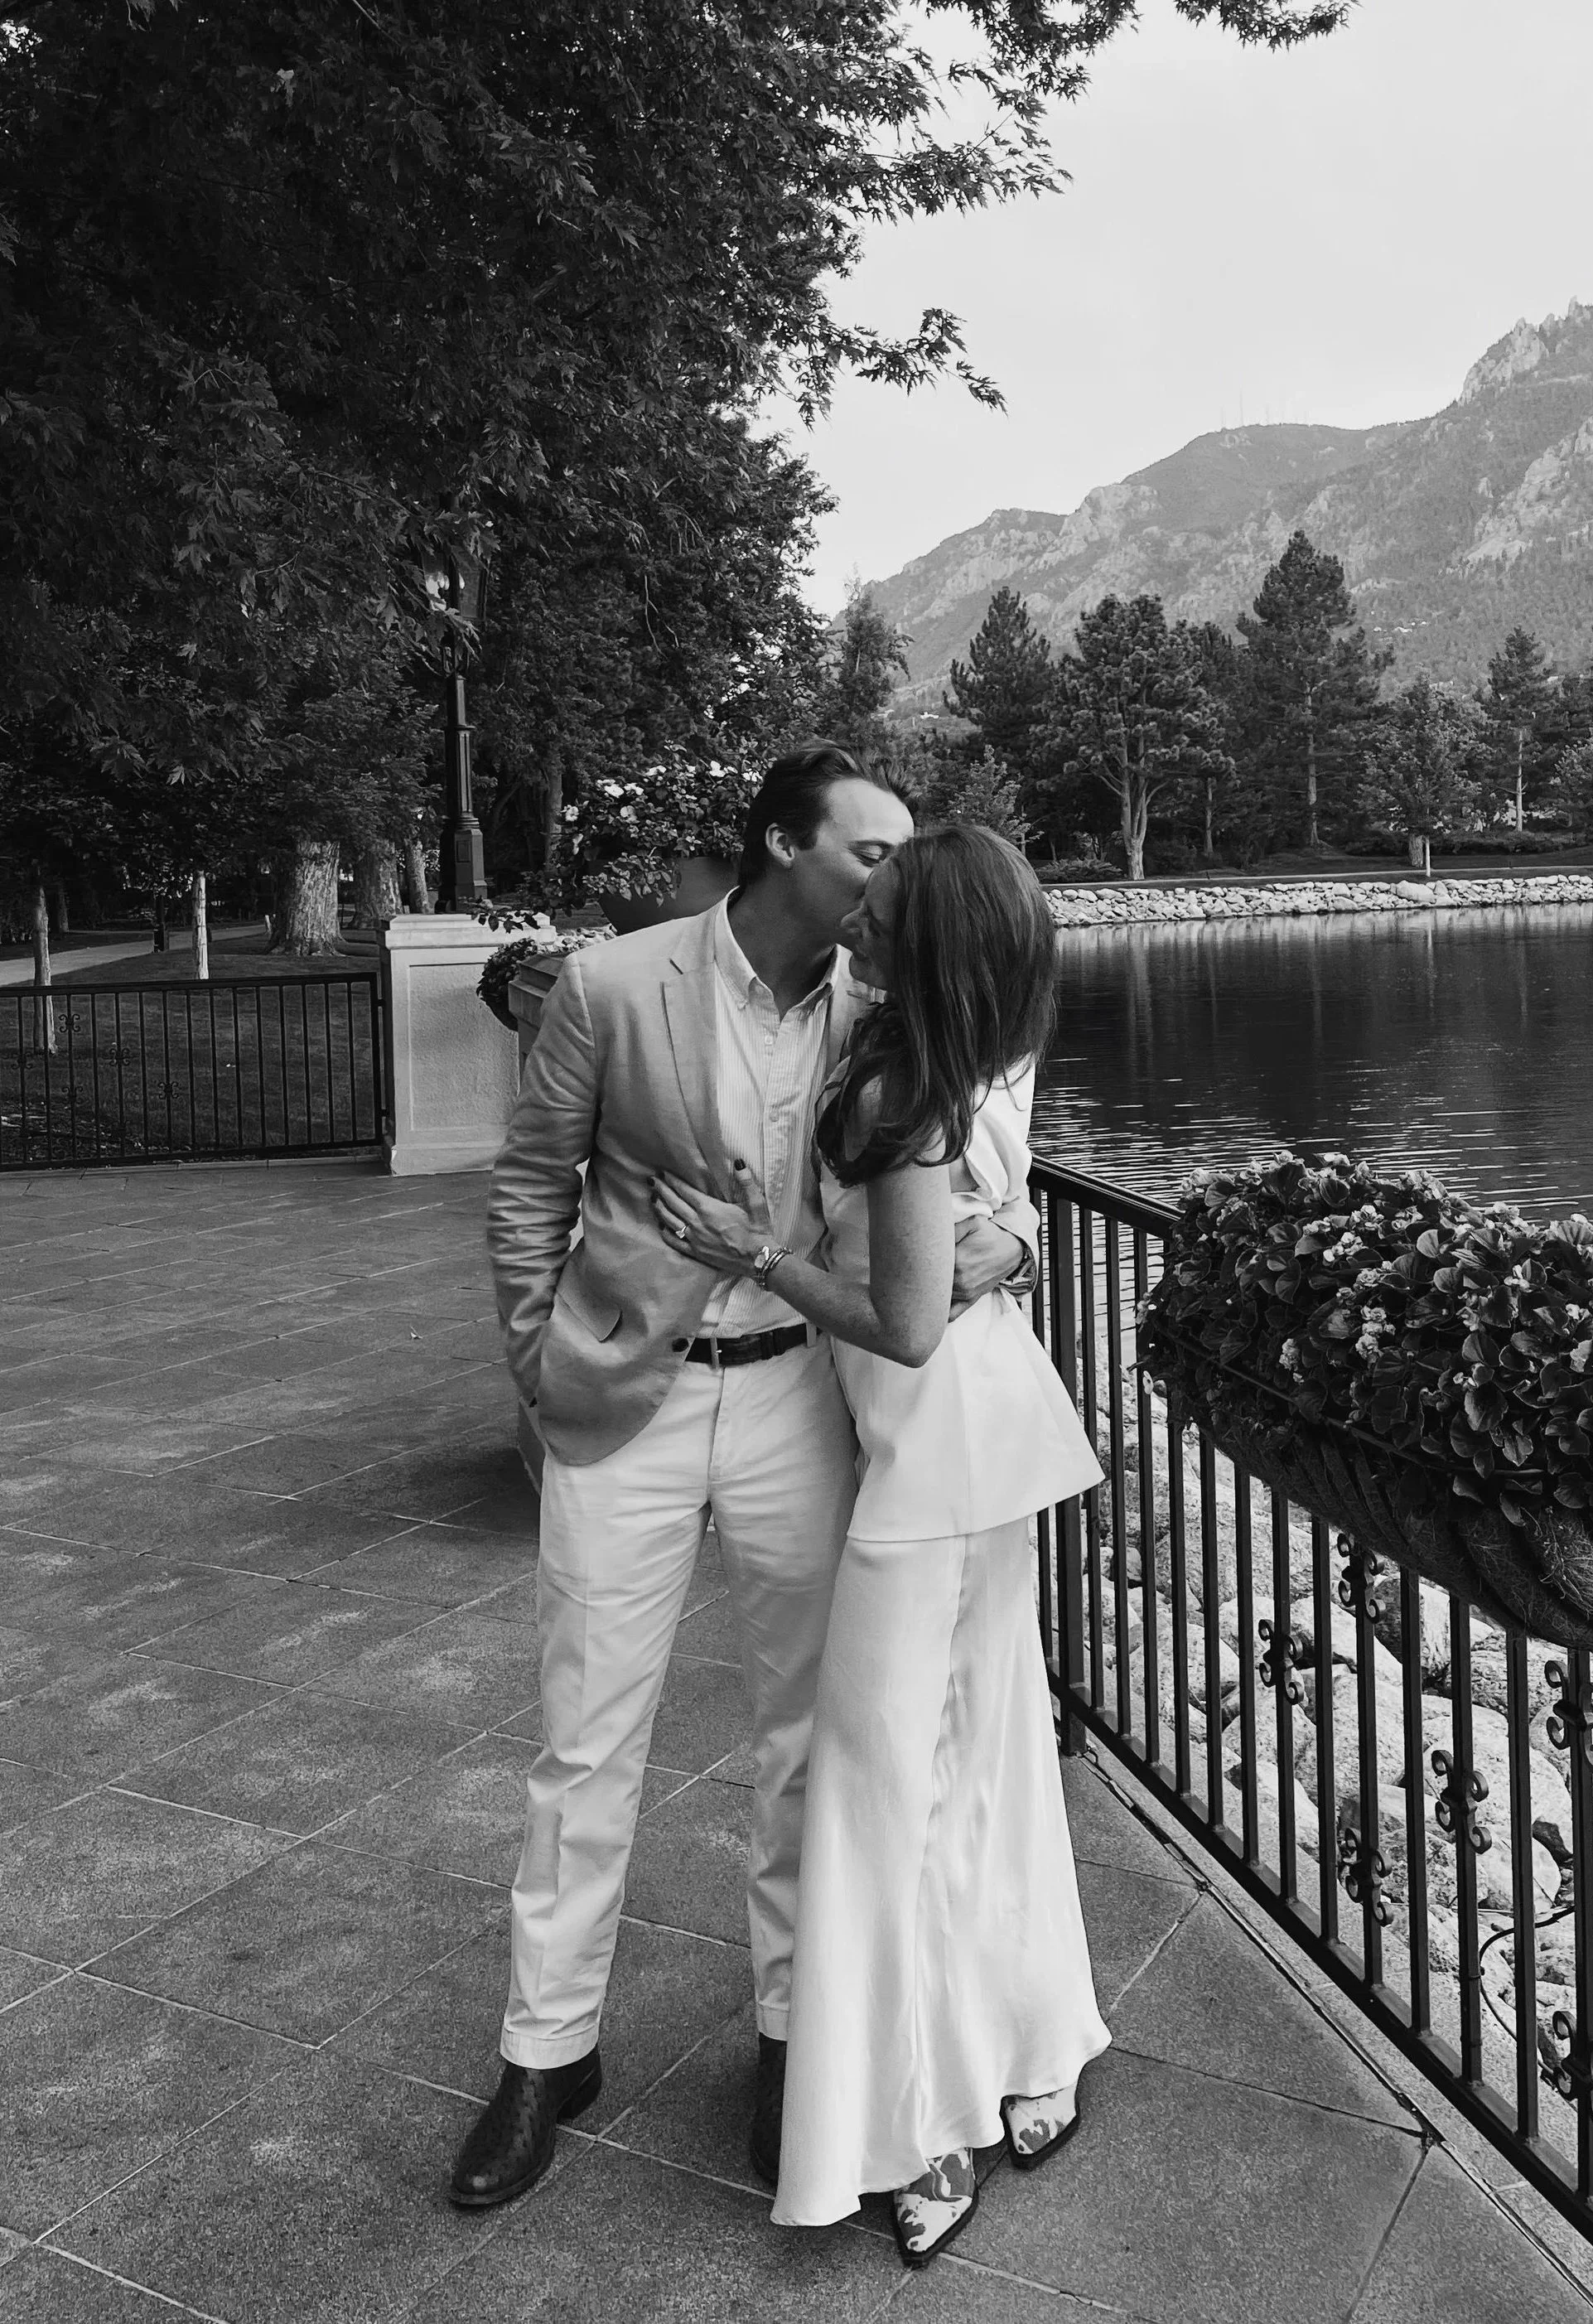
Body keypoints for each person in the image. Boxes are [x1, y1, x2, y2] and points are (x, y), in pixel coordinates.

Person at [451, 745, 1037, 2214]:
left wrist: (1012, 1247)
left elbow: (992, 1173)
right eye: (867, 852)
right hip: (625, 1404)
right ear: (783, 845)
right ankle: (545, 2054)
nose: (889, 878)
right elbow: (531, 1182)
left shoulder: (881, 1014)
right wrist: (538, 1359)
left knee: (803, 1740)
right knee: (585, 1740)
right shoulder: (612, 985)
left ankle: (794, 2042)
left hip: (803, 1397)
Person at [651, 822, 1109, 2268]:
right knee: (977, 1758)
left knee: (885, 1787)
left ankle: (922, 2121)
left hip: (941, 1454)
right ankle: (1033, 2042)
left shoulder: (918, 1077)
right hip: (945, 1449)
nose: (863, 897)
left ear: (923, 939)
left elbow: (907, 1324)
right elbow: (977, 1229)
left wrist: (754, 1257)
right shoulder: (921, 1043)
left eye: (889, 895)